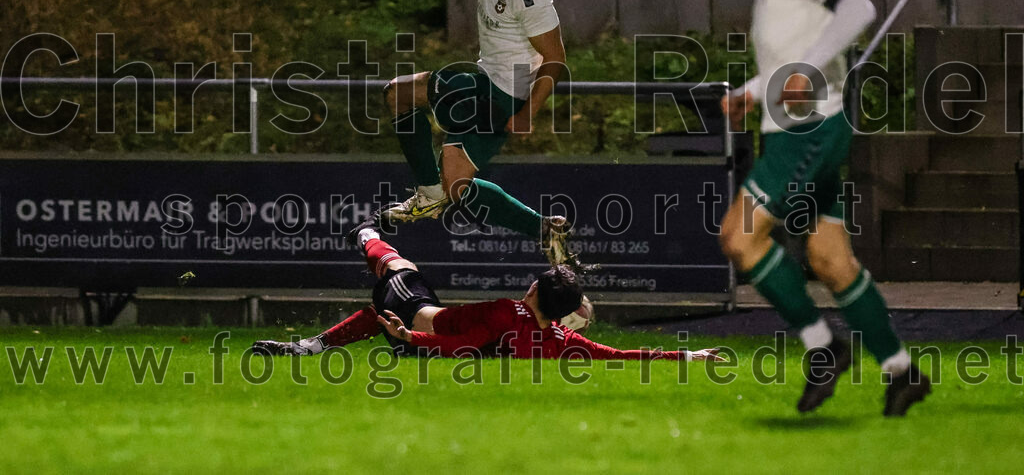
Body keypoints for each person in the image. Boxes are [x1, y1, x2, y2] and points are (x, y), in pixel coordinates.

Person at [718, 0, 930, 417]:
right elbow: (790, 56)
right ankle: (902, 372)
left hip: (807, 133)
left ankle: (823, 347)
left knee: (739, 237)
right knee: (832, 260)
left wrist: (805, 71)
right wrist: (752, 91)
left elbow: (858, 8)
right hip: (803, 129)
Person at [382, 0, 576, 267]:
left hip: (502, 95)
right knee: (456, 186)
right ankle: (545, 229)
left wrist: (529, 113)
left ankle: (429, 194)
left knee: (399, 93)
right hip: (486, 83)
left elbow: (555, 58)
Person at [253, 220, 722, 363]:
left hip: (416, 324)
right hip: (420, 339)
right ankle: (310, 346)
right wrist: (684, 355)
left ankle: (364, 233)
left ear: (534, 289)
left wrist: (409, 337)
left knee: (398, 268)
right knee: (381, 308)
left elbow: (461, 343)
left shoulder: (505, 311)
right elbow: (616, 354)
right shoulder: (557, 342)